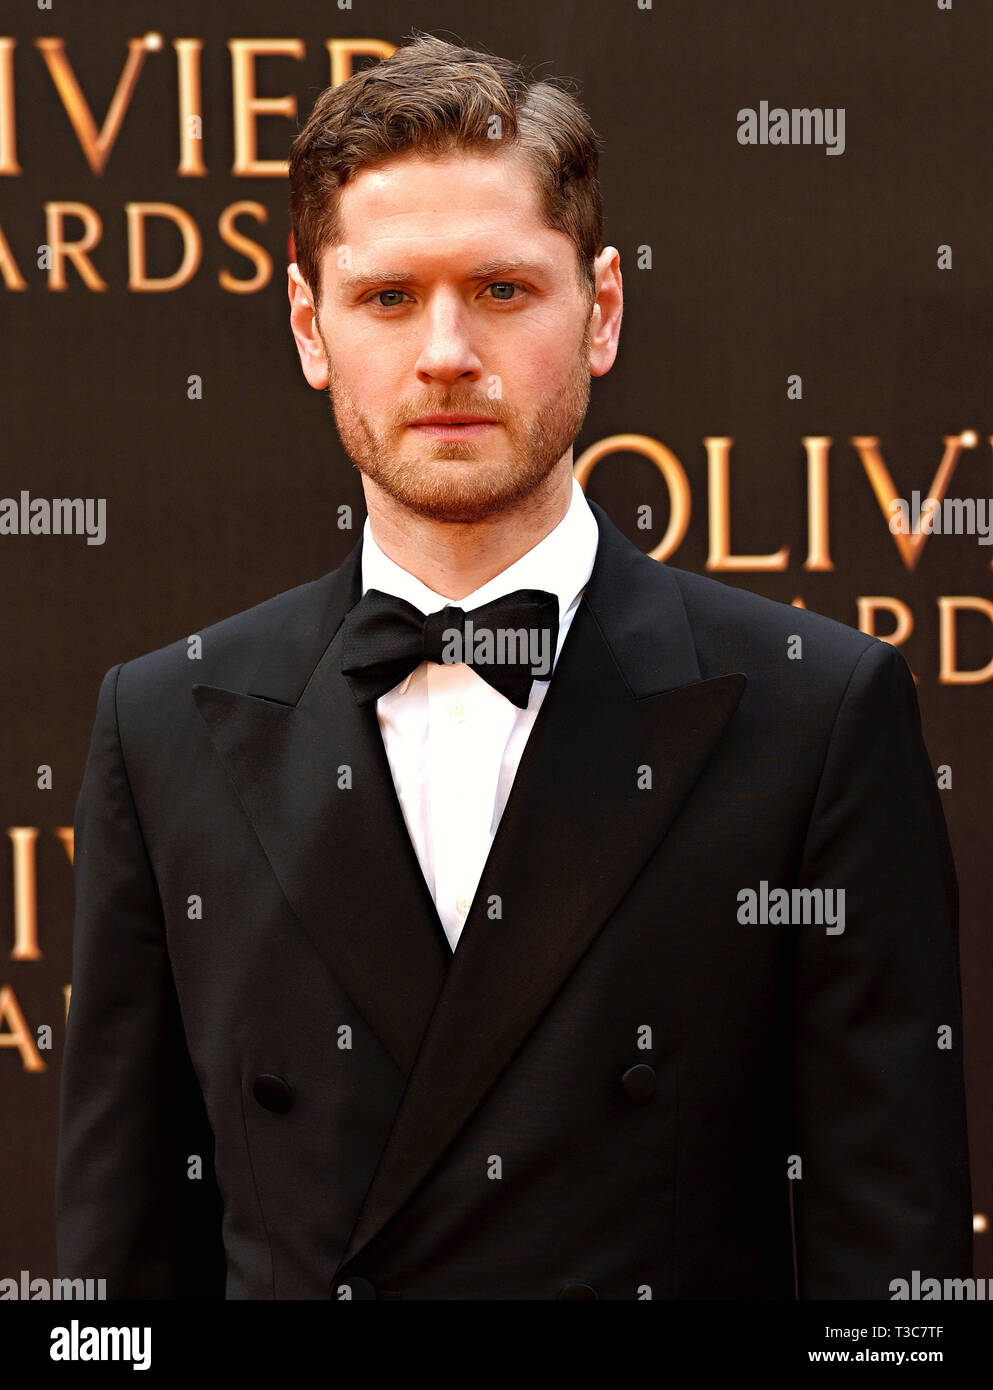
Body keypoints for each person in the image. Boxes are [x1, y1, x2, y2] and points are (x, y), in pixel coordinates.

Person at [55, 33, 972, 1300]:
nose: (443, 353)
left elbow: (891, 1266)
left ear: (599, 311)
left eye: (500, 289)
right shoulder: (160, 723)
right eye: (387, 297)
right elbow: (119, 1267)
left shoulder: (817, 712)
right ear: (308, 326)